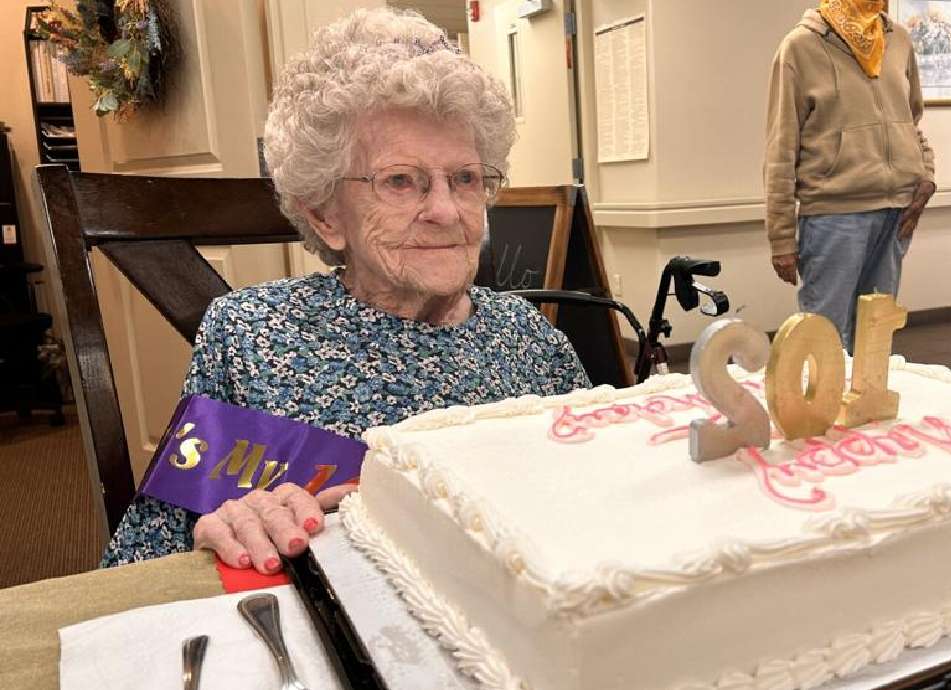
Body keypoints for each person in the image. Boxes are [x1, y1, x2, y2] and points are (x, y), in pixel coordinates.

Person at [100, 8, 590, 573]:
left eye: (465, 178)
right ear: (326, 215)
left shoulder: (530, 338)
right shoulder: (253, 337)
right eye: (400, 181)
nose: (446, 210)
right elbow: (142, 562)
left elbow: (594, 507)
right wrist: (225, 528)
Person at [764, 0, 936, 350]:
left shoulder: (898, 39)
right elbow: (781, 147)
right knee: (824, 339)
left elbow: (911, 121)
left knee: (875, 337)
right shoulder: (800, 46)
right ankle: (820, 391)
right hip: (833, 214)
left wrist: (927, 174)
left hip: (897, 211)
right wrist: (781, 238)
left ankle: (867, 392)